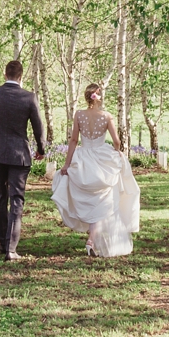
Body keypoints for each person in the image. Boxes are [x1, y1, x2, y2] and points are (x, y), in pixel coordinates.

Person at [51, 83, 140, 257]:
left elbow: (74, 140)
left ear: (87, 97)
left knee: (94, 203)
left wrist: (67, 164)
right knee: (103, 202)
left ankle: (91, 239)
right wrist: (116, 152)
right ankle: (91, 240)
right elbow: (116, 141)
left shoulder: (79, 115)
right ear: (99, 97)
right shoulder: (107, 116)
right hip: (102, 160)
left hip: (83, 159)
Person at [0, 59, 45, 261]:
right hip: (19, 155)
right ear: (21, 77)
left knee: (0, 196)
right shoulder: (29, 97)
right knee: (17, 199)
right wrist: (41, 149)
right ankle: (11, 249)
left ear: (5, 75)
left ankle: (3, 243)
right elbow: (38, 128)